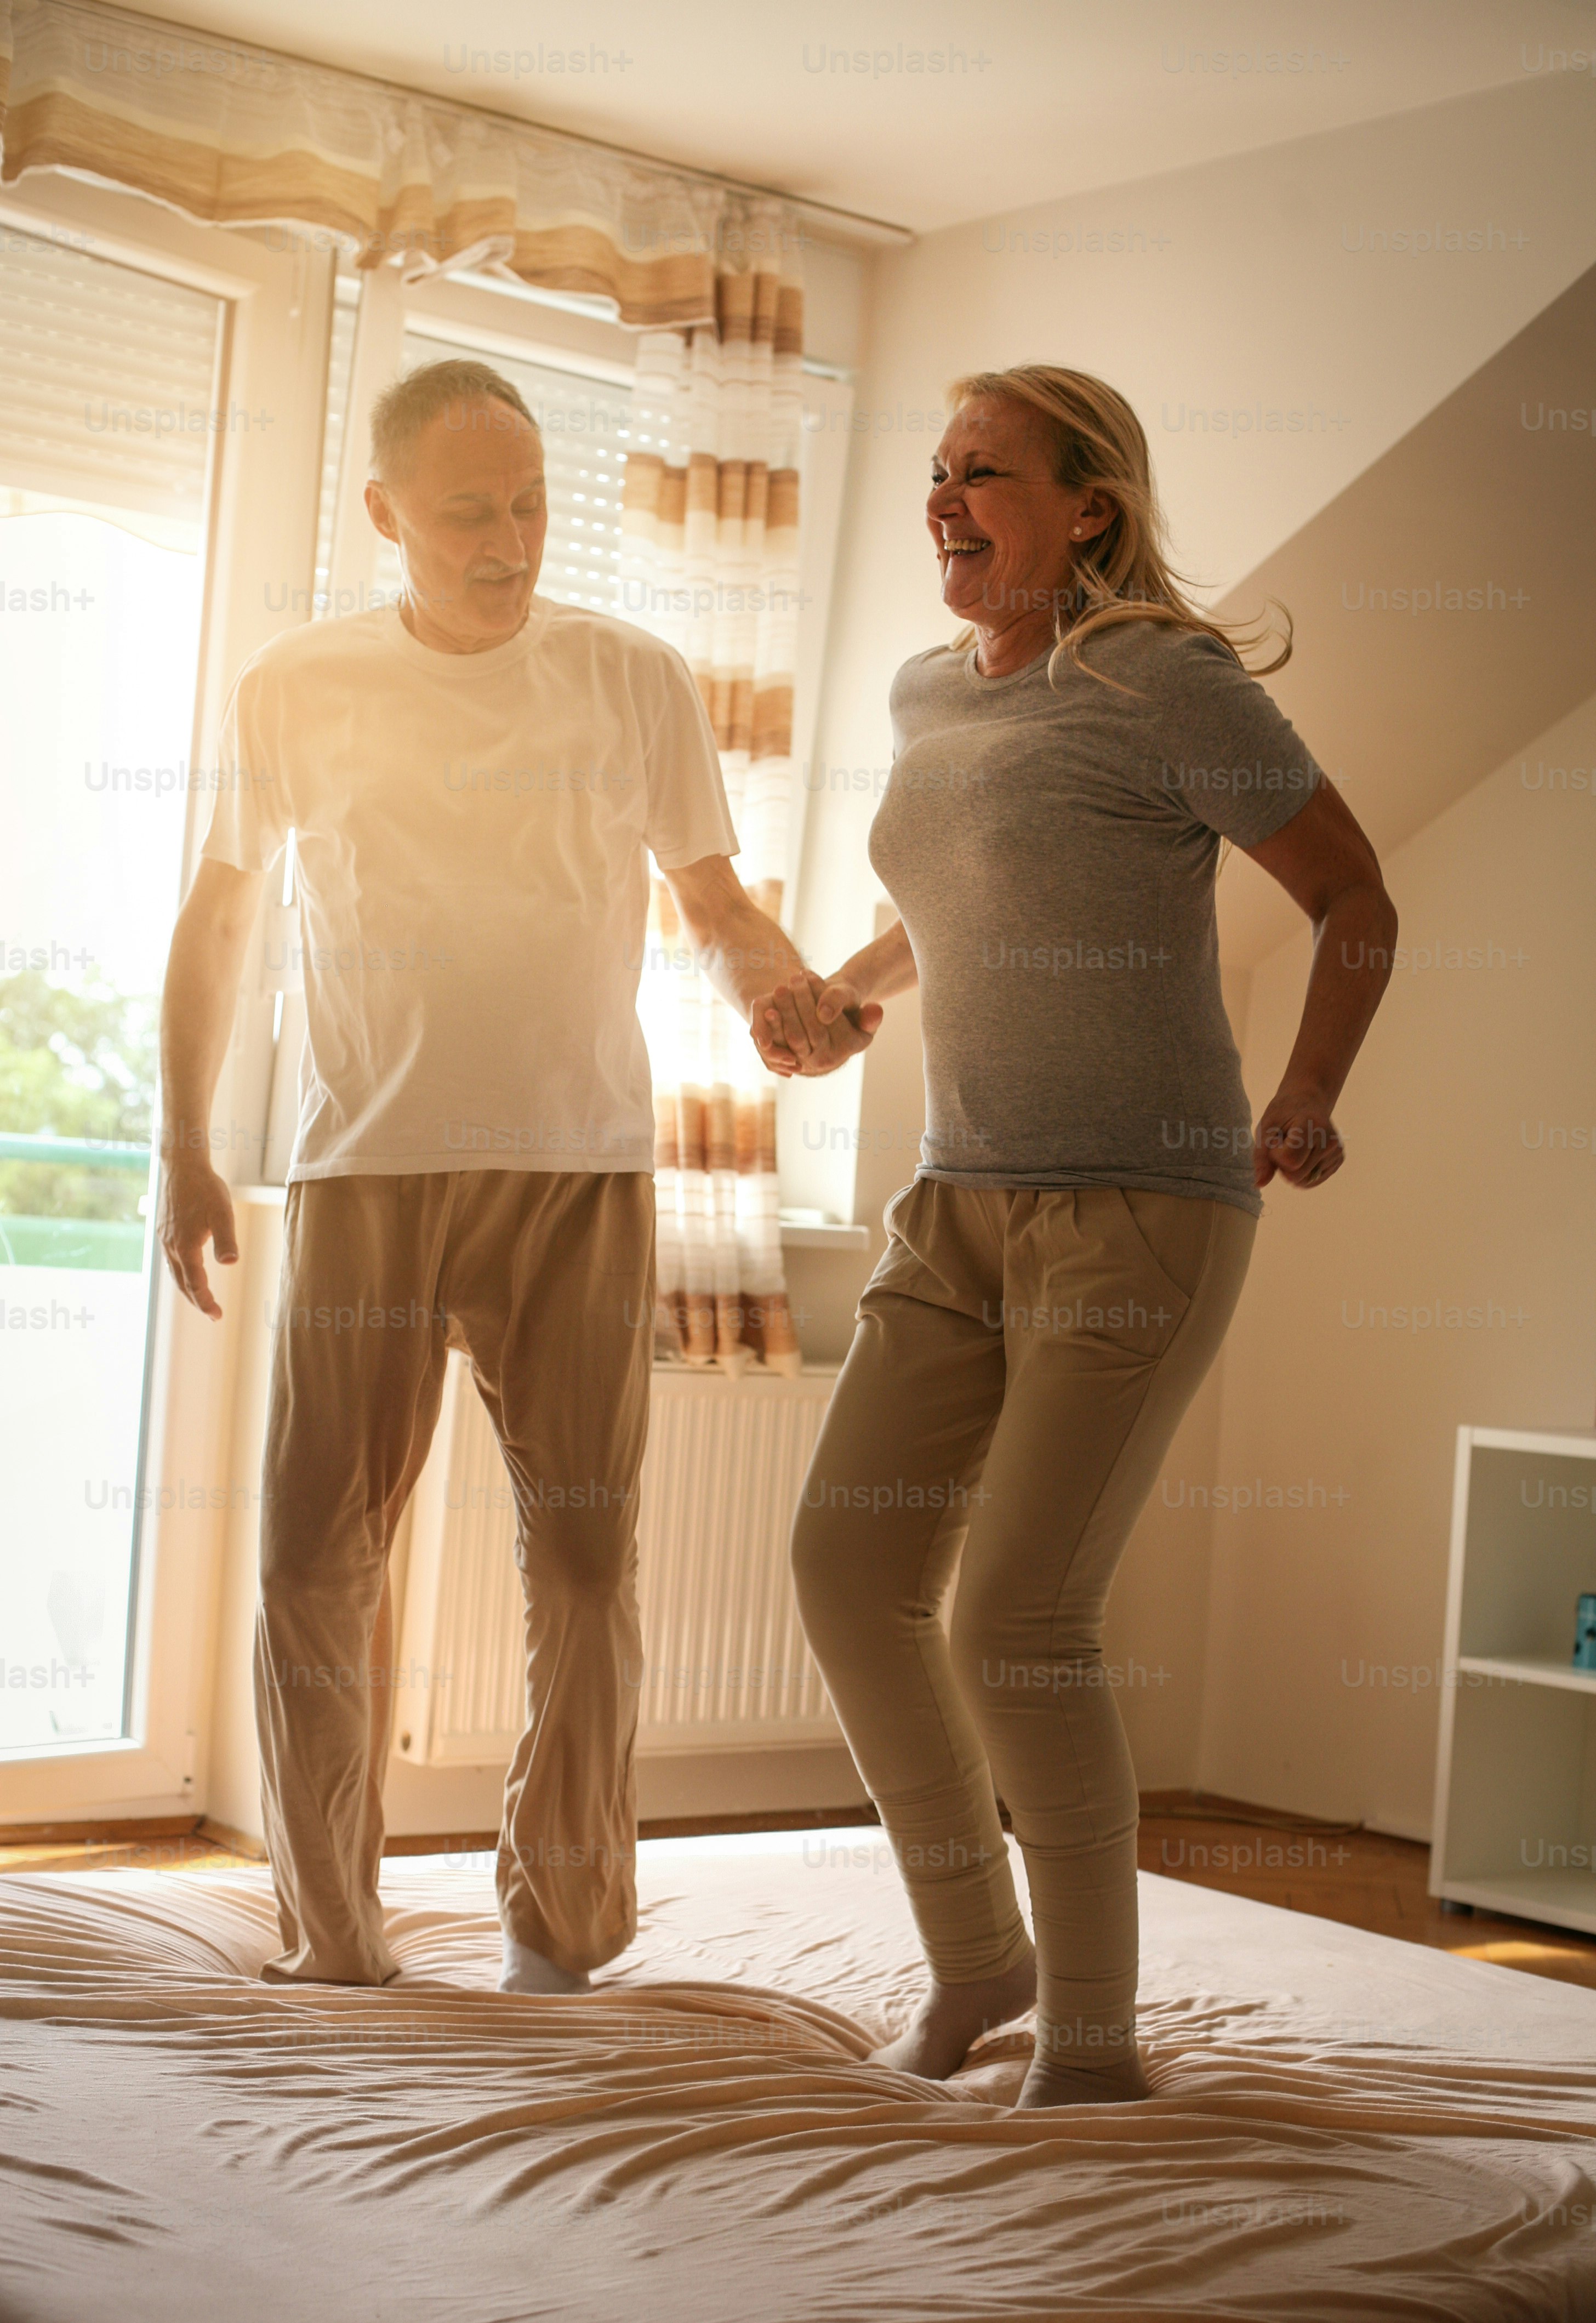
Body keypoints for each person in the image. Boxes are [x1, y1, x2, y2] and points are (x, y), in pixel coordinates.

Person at [761, 364, 1397, 2107]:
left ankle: (1097, 2040)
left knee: (1020, 1623)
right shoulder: (926, 690)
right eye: (937, 472)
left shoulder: (1162, 678)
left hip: (1141, 1208)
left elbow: (1352, 892)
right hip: (954, 1204)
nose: (944, 499)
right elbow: (963, 891)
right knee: (845, 1571)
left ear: (1087, 504)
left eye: (984, 473)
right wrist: (850, 995)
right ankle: (981, 1963)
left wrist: (1310, 1087)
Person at [158, 358, 813, 1994]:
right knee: (315, 1560)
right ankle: (335, 1934)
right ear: (386, 515)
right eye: (469, 513)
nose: (509, 542)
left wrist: (781, 994)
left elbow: (717, 905)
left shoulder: (633, 677)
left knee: (585, 1565)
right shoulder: (298, 685)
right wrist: (185, 1142)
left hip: (575, 1168)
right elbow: (221, 918)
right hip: (366, 1167)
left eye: (529, 505)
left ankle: (564, 1923)